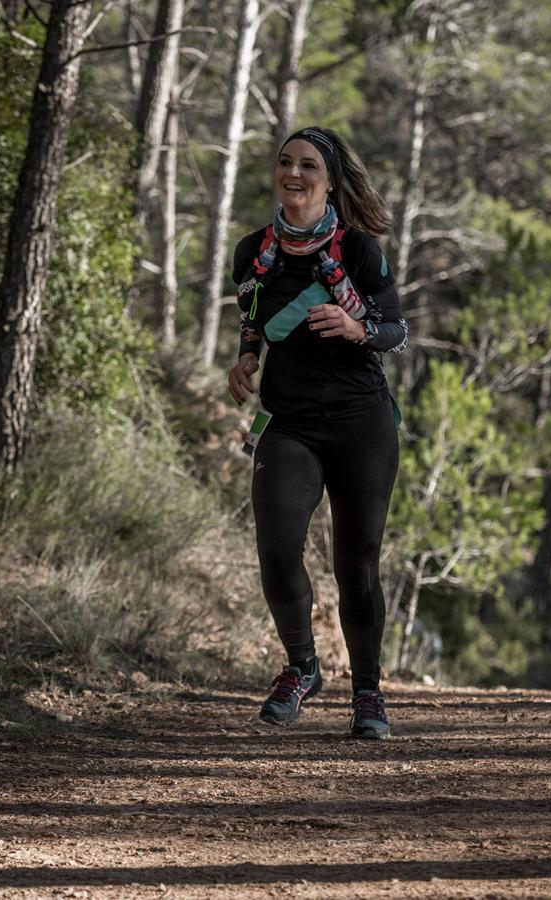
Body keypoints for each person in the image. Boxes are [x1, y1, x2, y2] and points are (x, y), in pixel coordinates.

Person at [226, 126, 407, 739]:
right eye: (285, 163)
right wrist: (246, 356)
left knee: (355, 566)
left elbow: (396, 330)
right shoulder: (252, 249)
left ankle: (368, 692)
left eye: (308, 166)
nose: (294, 174)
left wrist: (359, 329)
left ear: (329, 182)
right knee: (277, 551)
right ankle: (302, 667)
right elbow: (253, 314)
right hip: (290, 423)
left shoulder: (359, 252)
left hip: (362, 424)